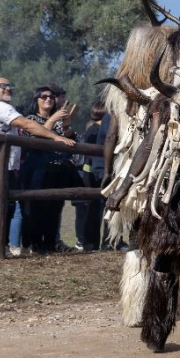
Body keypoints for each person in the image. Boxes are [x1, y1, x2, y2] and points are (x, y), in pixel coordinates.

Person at [0, 77, 75, 255]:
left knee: (5, 208)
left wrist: (64, 128)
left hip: (5, 167)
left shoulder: (1, 107)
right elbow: (28, 126)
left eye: (10, 86)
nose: (7, 89)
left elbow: (73, 140)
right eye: (2, 86)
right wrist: (56, 137)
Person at [19, 86, 80, 254]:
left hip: (58, 171)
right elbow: (35, 138)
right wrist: (52, 120)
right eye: (43, 96)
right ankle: (34, 245)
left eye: (51, 97)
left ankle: (50, 245)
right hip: (37, 172)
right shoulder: (30, 119)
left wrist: (67, 127)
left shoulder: (59, 122)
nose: (48, 99)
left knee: (55, 209)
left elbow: (74, 141)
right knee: (37, 209)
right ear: (36, 100)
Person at [73, 102, 111, 252]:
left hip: (96, 170)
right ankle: (89, 242)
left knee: (101, 207)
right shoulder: (93, 130)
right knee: (94, 207)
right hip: (92, 172)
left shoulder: (94, 128)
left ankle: (106, 241)